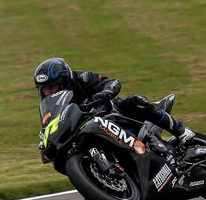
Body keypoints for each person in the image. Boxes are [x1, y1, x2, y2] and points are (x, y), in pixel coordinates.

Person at [33, 58, 194, 153]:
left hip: (112, 113)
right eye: (44, 89)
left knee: (136, 102)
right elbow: (48, 125)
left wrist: (104, 94)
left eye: (51, 87)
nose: (47, 92)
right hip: (85, 131)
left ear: (64, 82)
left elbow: (113, 82)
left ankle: (180, 130)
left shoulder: (82, 78)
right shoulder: (49, 105)